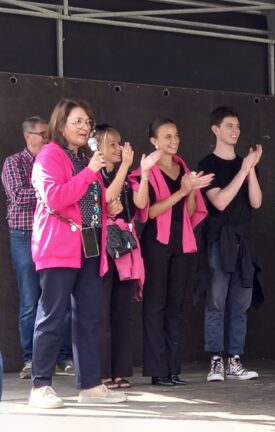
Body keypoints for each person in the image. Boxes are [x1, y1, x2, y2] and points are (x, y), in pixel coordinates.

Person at [28, 99, 127, 408]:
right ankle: (40, 385)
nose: (86, 127)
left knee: (90, 316)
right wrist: (90, 173)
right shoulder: (49, 155)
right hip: (59, 246)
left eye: (88, 122)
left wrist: (110, 205)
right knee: (52, 315)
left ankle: (90, 384)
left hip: (90, 245)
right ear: (61, 125)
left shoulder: (86, 157)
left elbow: (94, 197)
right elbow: (56, 198)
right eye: (79, 121)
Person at [134, 118, 212, 386]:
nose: (174, 141)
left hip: (182, 242)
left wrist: (190, 191)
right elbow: (148, 212)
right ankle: (157, 370)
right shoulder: (147, 171)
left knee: (176, 306)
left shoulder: (183, 168)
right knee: (155, 305)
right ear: (154, 141)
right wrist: (182, 191)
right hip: (156, 241)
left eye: (176, 135)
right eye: (167, 136)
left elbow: (190, 213)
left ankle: (172, 368)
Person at [2, 116, 74, 380]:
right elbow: (19, 197)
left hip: (54, 234)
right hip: (24, 235)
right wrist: (49, 188)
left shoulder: (58, 158)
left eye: (48, 133)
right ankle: (31, 359)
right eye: (42, 134)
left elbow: (69, 193)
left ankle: (63, 356)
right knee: (31, 300)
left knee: (60, 298)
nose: (47, 138)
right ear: (27, 136)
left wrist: (55, 190)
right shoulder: (13, 162)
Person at [197, 106, 263, 382]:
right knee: (216, 299)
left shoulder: (244, 163)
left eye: (237, 126)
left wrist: (250, 169)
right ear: (215, 129)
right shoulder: (207, 164)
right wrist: (245, 168)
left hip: (242, 242)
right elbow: (220, 201)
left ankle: (235, 358)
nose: (235, 131)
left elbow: (256, 201)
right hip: (218, 239)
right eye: (229, 126)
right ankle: (216, 360)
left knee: (240, 302)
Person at [94, 125, 156, 389]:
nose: (119, 149)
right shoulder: (93, 175)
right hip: (101, 249)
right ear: (98, 148)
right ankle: (101, 372)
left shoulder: (128, 176)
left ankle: (119, 370)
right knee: (101, 313)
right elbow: (105, 199)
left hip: (125, 249)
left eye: (119, 143)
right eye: (112, 144)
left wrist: (142, 174)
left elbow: (141, 205)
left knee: (122, 312)